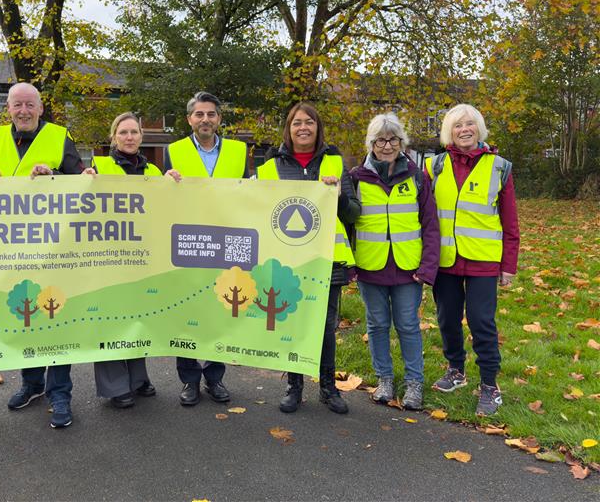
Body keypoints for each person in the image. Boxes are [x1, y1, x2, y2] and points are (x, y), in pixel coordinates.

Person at [0, 82, 84, 428]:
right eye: (17, 105)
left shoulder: (60, 137)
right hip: (13, 253)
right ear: (8, 109)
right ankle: (32, 384)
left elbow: (81, 183)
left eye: (29, 105)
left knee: (57, 318)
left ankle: (59, 392)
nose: (23, 111)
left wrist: (56, 177)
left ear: (40, 109)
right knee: (27, 316)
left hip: (55, 250)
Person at [256, 102, 360, 415]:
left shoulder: (336, 163)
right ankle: (294, 387)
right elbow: (251, 209)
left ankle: (328, 388)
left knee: (326, 326)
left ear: (318, 127)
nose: (303, 128)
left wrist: (339, 194)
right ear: (288, 129)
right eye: (297, 122)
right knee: (293, 320)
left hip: (328, 260)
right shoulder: (270, 167)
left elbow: (355, 213)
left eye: (309, 122)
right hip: (287, 261)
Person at [425, 103, 519, 416]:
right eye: (457, 125)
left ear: (479, 128)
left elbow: (510, 221)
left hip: (483, 261)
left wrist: (509, 266)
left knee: (481, 322)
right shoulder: (433, 166)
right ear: (448, 132)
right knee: (447, 318)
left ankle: (490, 386)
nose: (464, 130)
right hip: (446, 261)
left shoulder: (499, 167)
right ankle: (456, 370)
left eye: (470, 124)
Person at [350, 113, 439, 410]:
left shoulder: (416, 176)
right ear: (371, 143)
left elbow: (430, 225)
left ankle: (414, 382)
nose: (387, 146)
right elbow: (347, 224)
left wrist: (427, 268)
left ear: (402, 143)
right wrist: (349, 264)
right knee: (376, 325)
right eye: (380, 140)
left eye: (393, 140)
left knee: (408, 325)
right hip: (370, 266)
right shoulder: (356, 177)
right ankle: (384, 379)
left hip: (408, 269)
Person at [164, 91, 248, 406]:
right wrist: (166, 179)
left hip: (227, 244)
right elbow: (165, 195)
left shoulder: (239, 151)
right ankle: (189, 380)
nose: (205, 120)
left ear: (219, 119)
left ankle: (215, 378)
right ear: (189, 119)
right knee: (187, 312)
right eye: (199, 114)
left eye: (211, 114)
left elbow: (249, 193)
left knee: (219, 312)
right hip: (189, 243)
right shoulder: (174, 151)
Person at [82, 112, 160, 408]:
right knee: (110, 319)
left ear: (142, 136)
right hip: (109, 257)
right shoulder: (99, 166)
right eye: (123, 132)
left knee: (138, 317)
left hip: (142, 257)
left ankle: (138, 379)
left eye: (134, 132)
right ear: (113, 137)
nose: (129, 137)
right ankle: (116, 386)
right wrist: (84, 180)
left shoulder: (152, 169)